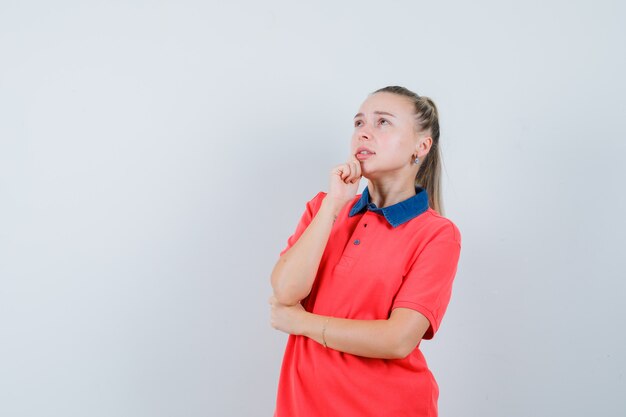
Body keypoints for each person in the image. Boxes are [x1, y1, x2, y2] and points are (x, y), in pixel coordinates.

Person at [268, 85, 462, 417]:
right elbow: (285, 292)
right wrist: (334, 204)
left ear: (421, 146)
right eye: (358, 123)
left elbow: (397, 340)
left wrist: (302, 323)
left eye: (382, 122)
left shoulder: (437, 234)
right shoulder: (323, 209)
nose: (364, 133)